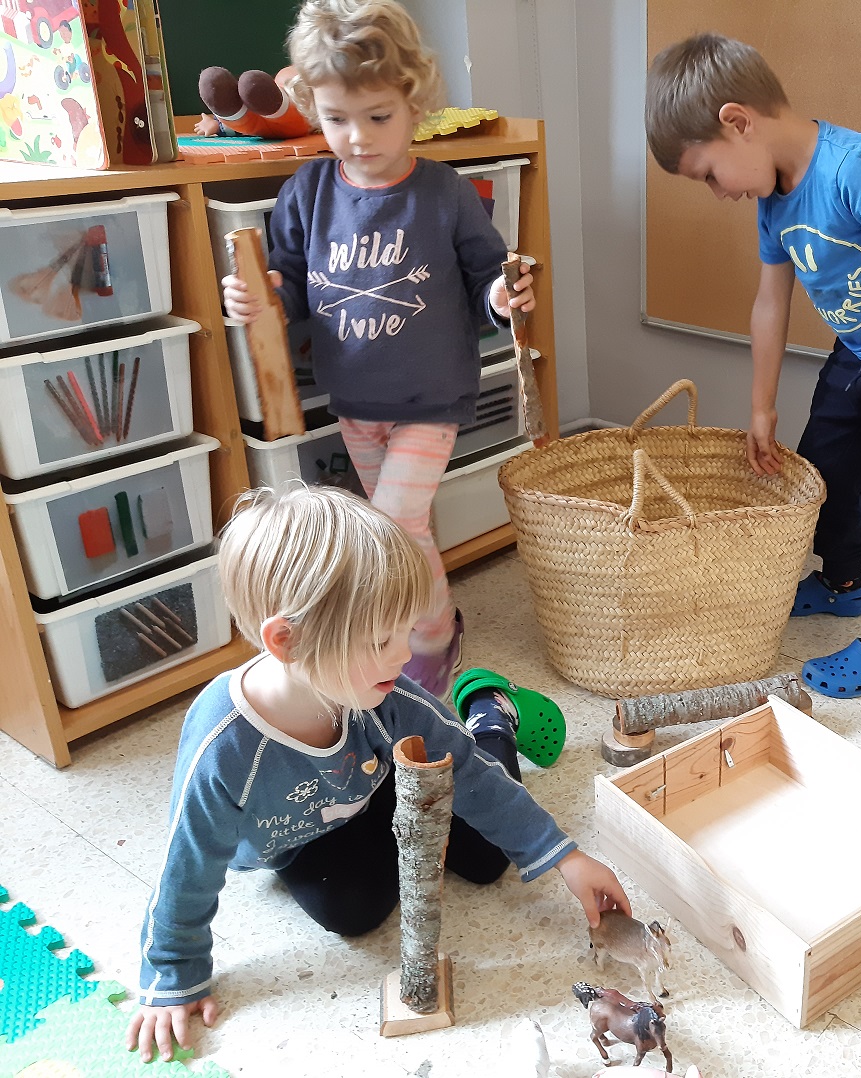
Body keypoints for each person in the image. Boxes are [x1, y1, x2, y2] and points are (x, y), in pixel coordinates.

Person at [125, 486, 629, 1064]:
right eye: (378, 641)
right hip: (305, 835)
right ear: (287, 642)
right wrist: (172, 972)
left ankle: (491, 713)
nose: (403, 655)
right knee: (355, 912)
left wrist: (563, 855)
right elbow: (186, 864)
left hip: (378, 779)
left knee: (493, 858)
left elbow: (469, 770)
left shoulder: (384, 694)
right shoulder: (225, 747)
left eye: (404, 632)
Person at [644, 33, 861, 699]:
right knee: (824, 470)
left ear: (737, 123)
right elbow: (770, 303)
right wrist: (761, 407)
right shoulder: (773, 198)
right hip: (857, 350)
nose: (717, 193)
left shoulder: (854, 169)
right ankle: (842, 582)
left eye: (708, 174)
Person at [222, 0, 534, 697]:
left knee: (393, 527)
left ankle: (429, 639)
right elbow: (287, 285)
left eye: (378, 116)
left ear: (413, 104)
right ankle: (425, 625)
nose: (357, 137)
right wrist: (259, 299)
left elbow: (487, 276)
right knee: (405, 527)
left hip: (432, 398)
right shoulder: (307, 192)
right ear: (313, 107)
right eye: (337, 119)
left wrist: (501, 295)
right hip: (355, 400)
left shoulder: (444, 192)